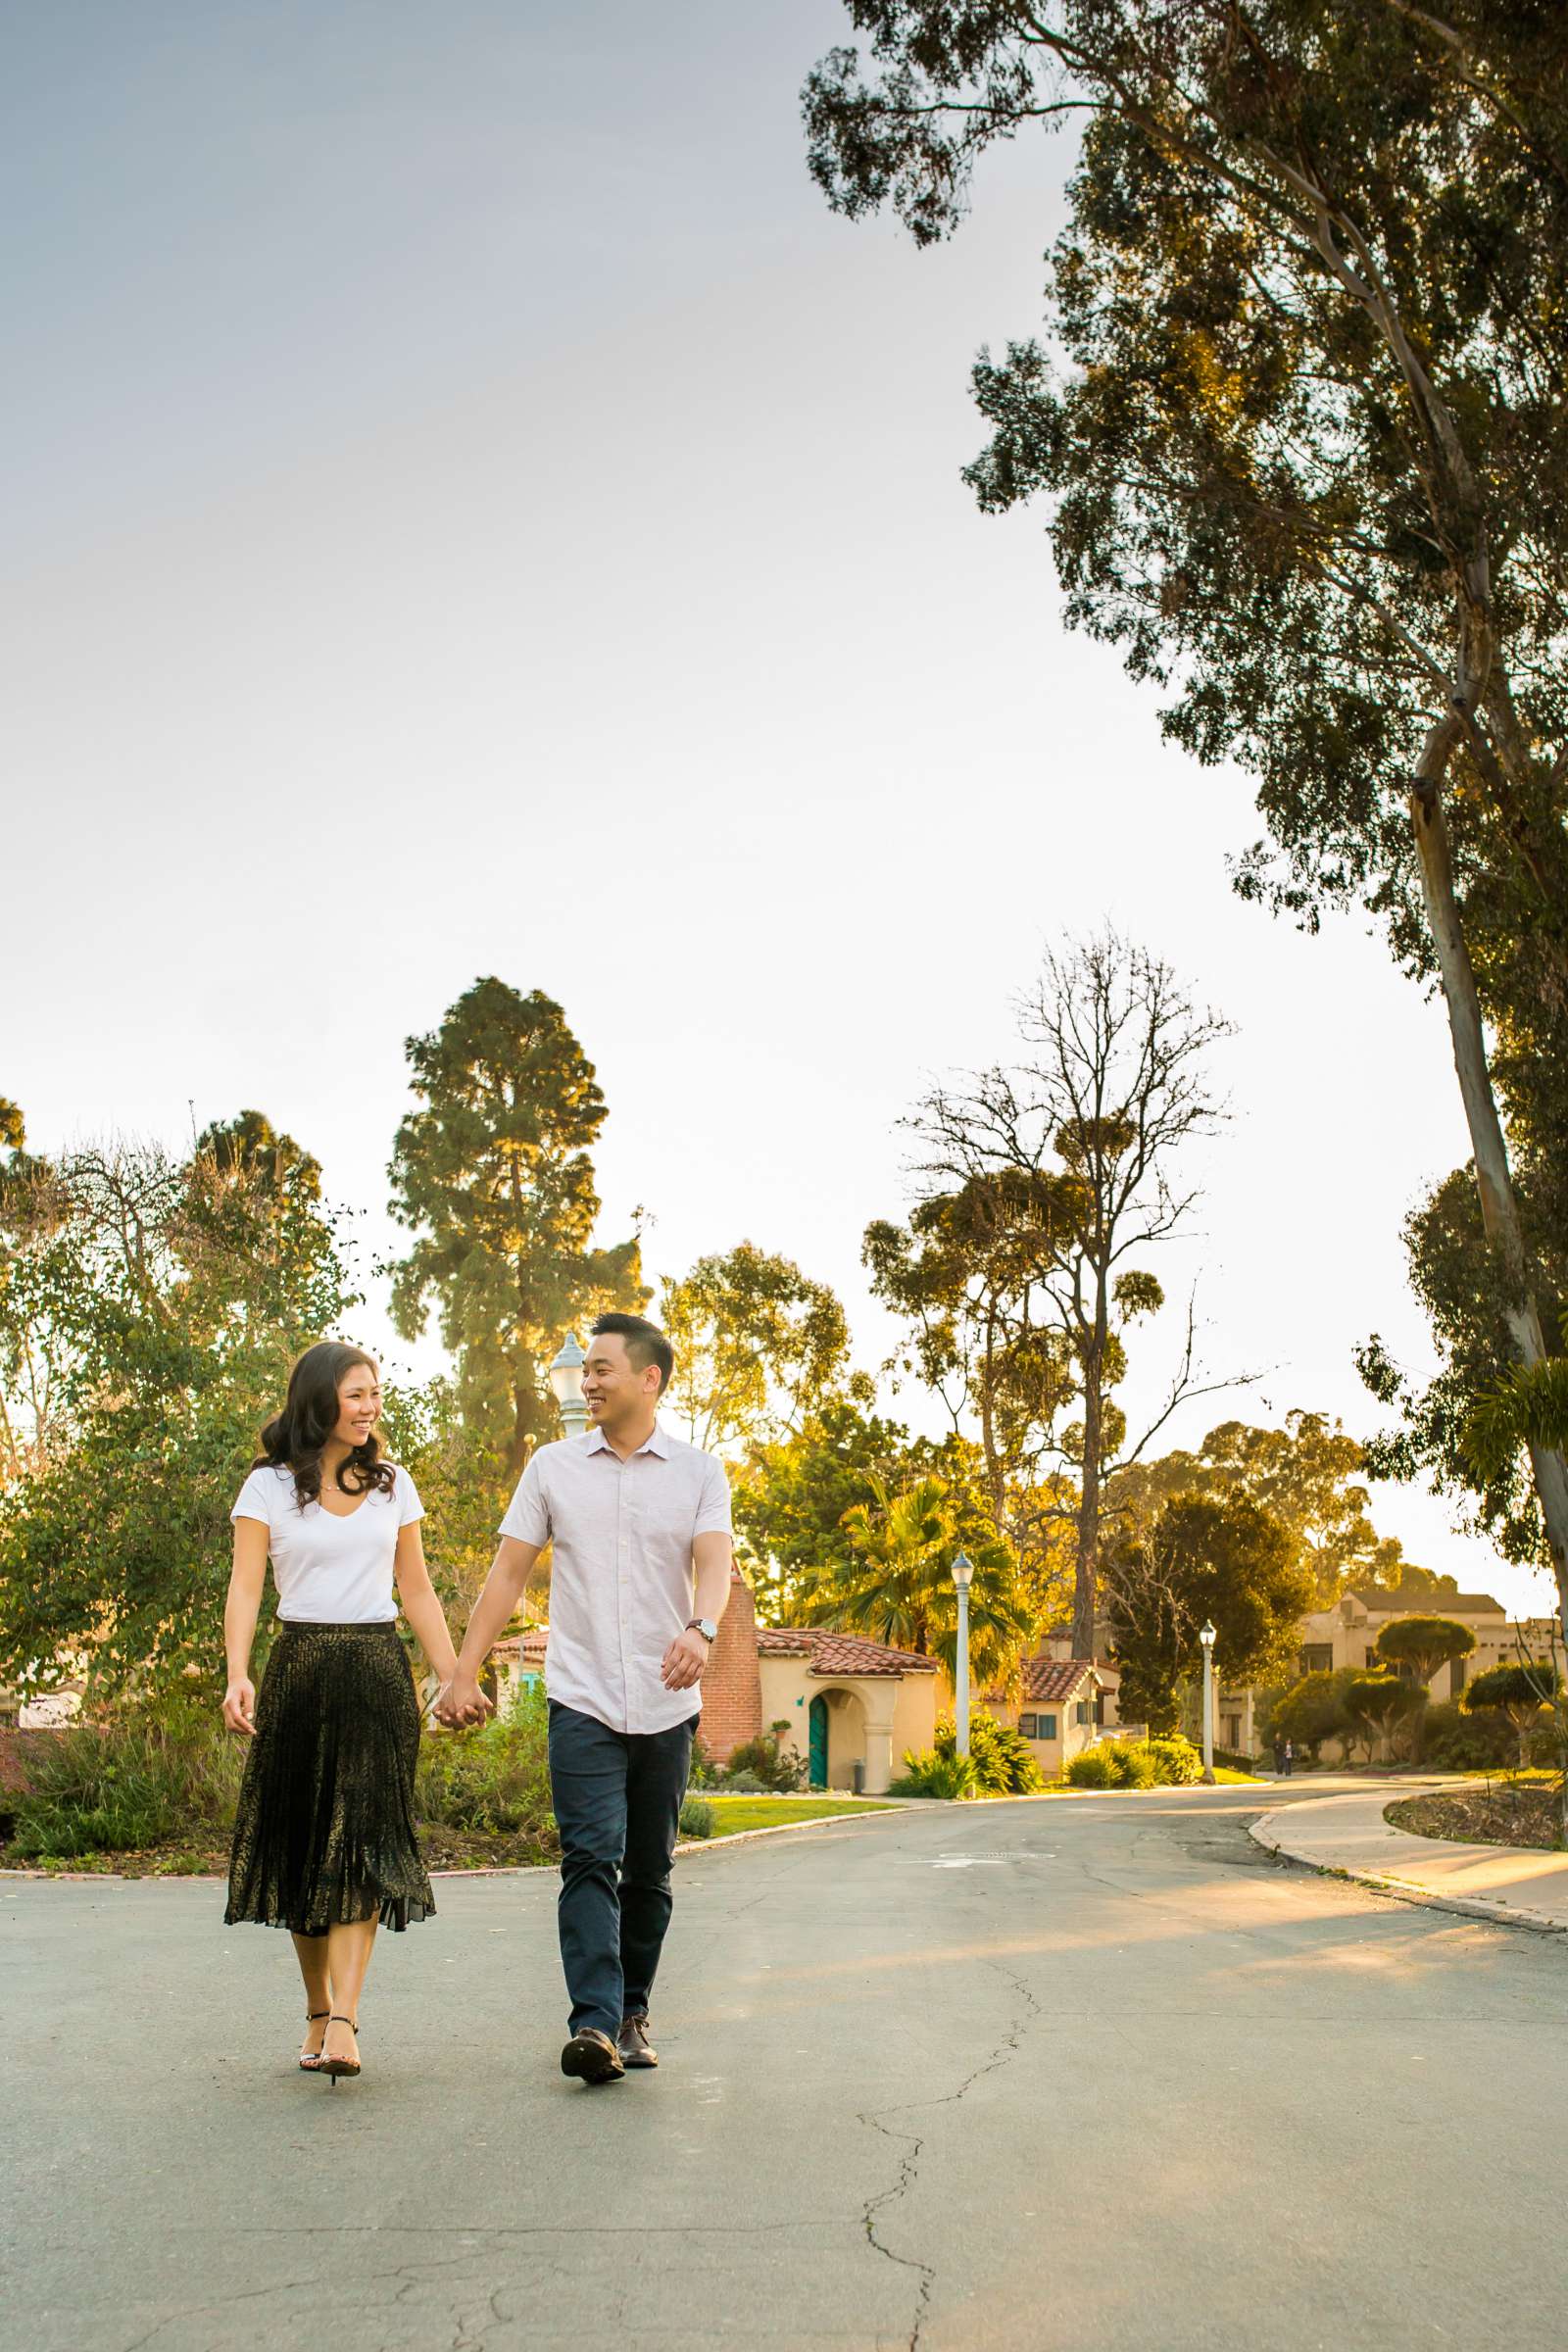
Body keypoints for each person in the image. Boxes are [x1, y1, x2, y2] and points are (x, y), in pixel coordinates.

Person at [440, 1312, 732, 2086]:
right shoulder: (551, 1467)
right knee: (588, 1860)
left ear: (649, 1378)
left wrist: (702, 1629)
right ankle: (595, 2026)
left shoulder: (700, 1472)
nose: (588, 1380)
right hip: (582, 1695)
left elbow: (714, 1562)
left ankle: (634, 2008)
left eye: (603, 1368)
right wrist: (464, 1671)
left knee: (649, 1871)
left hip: (667, 1703)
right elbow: (507, 1575)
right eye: (586, 1371)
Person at [221, 1341, 474, 2083]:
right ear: (320, 1399)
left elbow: (418, 1591)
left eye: (375, 1393)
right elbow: (244, 1589)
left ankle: (345, 2020)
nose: (370, 1406)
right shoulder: (267, 1487)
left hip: (375, 1672)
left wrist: (452, 1674)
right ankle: (315, 2006)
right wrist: (238, 1675)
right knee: (304, 1848)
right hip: (299, 1670)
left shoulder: (395, 1485)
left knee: (362, 1844)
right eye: (356, 1393)